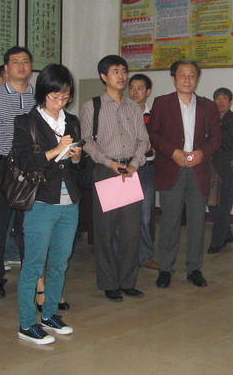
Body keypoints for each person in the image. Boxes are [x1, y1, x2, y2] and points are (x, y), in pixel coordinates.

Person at [13, 64, 82, 344]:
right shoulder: (26, 121)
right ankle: (27, 323)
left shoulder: (72, 120)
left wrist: (76, 156)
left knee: (59, 262)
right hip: (41, 201)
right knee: (34, 264)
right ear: (43, 93)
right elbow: (24, 161)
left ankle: (50, 313)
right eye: (55, 96)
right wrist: (56, 150)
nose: (60, 101)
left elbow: (78, 166)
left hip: (69, 200)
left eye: (66, 96)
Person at [80, 55, 150, 302]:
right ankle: (109, 282)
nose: (121, 76)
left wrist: (134, 164)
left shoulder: (133, 106)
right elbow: (87, 141)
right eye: (115, 71)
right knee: (105, 231)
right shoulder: (92, 106)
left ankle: (127, 281)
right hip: (106, 170)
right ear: (103, 76)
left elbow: (144, 140)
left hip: (130, 172)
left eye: (123, 71)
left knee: (131, 231)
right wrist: (109, 163)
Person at [148, 60, 221, 288]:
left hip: (198, 169)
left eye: (192, 75)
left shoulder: (208, 106)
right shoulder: (161, 103)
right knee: (169, 222)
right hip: (172, 169)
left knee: (197, 223)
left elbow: (216, 138)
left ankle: (194, 269)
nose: (187, 79)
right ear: (174, 79)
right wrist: (173, 152)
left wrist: (202, 153)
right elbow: (153, 134)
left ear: (197, 79)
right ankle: (165, 269)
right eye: (182, 75)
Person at [0, 47, 36, 298]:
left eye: (25, 61)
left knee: (30, 225)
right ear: (6, 68)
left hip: (32, 167)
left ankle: (31, 276)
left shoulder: (40, 97)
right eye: (15, 62)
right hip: (2, 165)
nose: (21, 66)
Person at [207, 87, 233, 254]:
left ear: (230, 102)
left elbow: (230, 142)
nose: (220, 102)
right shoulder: (209, 118)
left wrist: (217, 126)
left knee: (224, 206)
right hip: (209, 167)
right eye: (217, 99)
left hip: (227, 169)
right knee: (212, 204)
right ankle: (227, 235)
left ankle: (217, 242)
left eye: (224, 99)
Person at [128, 73, 159, 269]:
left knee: (145, 216)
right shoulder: (122, 114)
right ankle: (125, 255)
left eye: (140, 88)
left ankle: (145, 256)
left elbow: (160, 138)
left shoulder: (154, 116)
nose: (135, 92)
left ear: (148, 92)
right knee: (126, 215)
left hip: (146, 169)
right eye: (131, 88)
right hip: (126, 170)